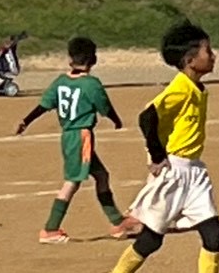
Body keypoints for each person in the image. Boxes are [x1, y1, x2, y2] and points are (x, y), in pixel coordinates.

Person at [93, 21, 219, 273]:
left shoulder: (197, 88)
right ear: (190, 60)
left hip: (195, 172)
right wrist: (156, 156)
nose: (213, 56)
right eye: (208, 51)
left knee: (213, 233)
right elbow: (147, 117)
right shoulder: (180, 87)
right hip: (174, 173)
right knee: (152, 239)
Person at [15, 35, 139, 243]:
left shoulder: (60, 82)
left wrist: (26, 121)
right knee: (72, 182)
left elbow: (44, 105)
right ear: (92, 59)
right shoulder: (91, 84)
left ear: (70, 58)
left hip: (68, 137)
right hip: (81, 136)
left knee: (101, 175)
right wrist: (116, 120)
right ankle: (50, 229)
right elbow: (105, 107)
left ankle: (118, 222)